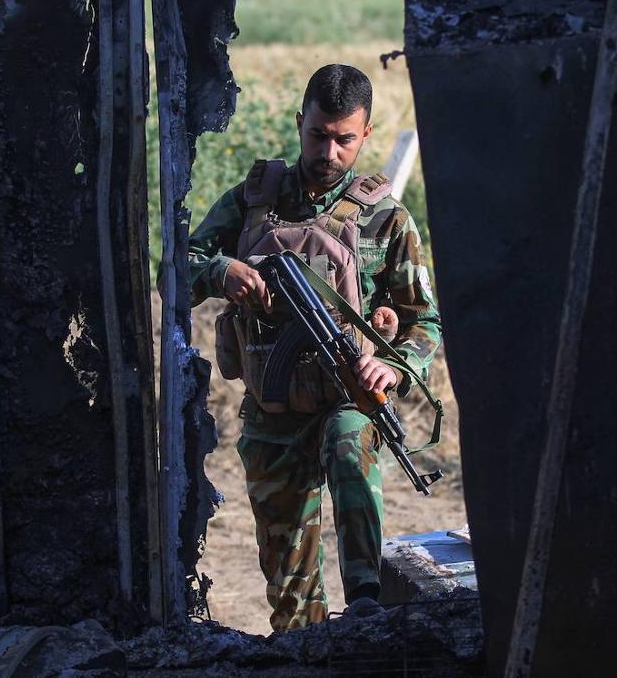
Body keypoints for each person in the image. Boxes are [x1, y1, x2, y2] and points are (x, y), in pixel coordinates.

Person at [187, 64, 442, 631]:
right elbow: (174, 268)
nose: (329, 151)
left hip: (347, 398)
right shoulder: (253, 203)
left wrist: (393, 368)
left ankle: (369, 608)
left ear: (367, 134)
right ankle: (310, 646)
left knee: (351, 444)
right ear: (300, 122)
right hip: (272, 414)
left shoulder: (386, 219)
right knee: (292, 601)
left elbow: (427, 322)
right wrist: (220, 270)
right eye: (318, 135)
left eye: (344, 139)